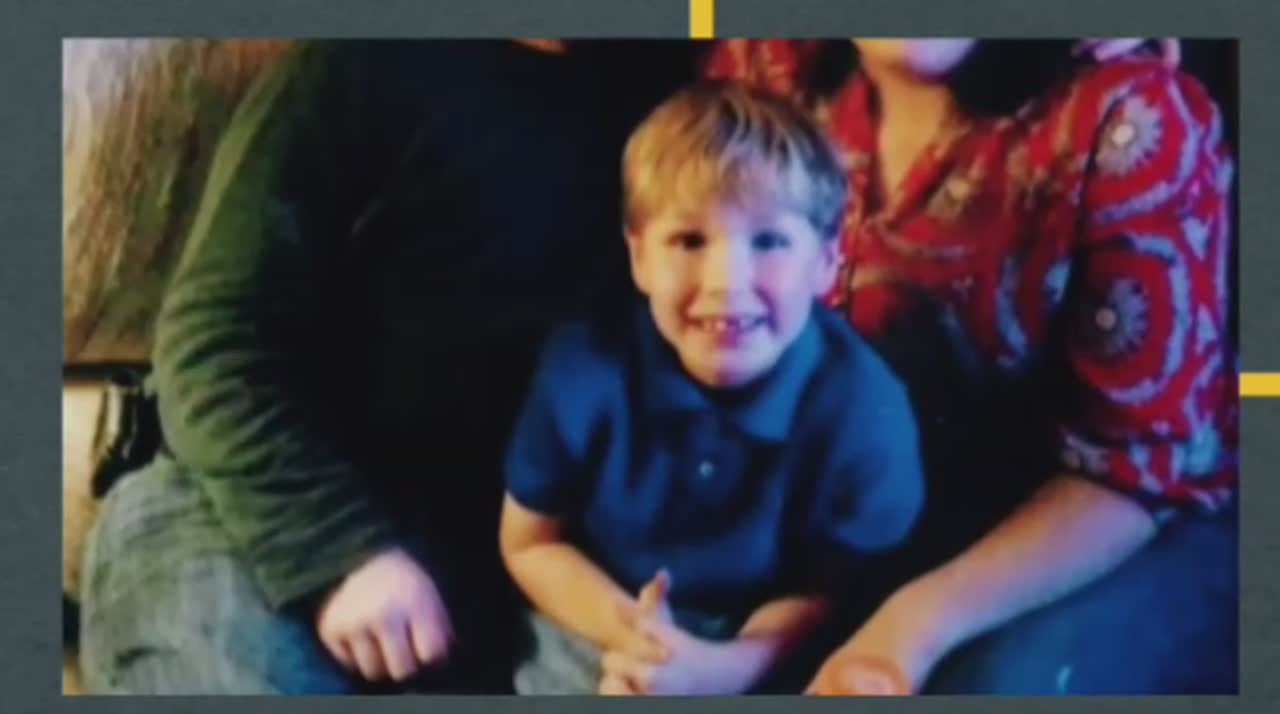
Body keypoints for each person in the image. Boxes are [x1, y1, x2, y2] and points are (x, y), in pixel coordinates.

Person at [76, 38, 697, 694]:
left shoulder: (686, 104)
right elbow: (212, 338)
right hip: (256, 500)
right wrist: (344, 553)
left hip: (529, 555)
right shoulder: (355, 62)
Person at [704, 38, 1238, 695]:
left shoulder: (1132, 116)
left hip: (1085, 521)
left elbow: (1141, 465)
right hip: (846, 508)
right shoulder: (766, 63)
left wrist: (912, 629)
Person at [498, 83, 925, 696]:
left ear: (827, 261)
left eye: (768, 241)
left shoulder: (866, 414)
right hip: (601, 616)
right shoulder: (581, 372)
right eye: (689, 241)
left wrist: (723, 669)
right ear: (640, 257)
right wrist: (644, 647)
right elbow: (530, 543)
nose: (727, 282)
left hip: (771, 646)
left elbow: (835, 594)